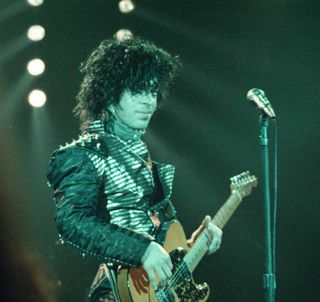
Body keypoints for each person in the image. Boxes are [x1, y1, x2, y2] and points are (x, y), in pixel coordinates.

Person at [47, 36, 222, 302]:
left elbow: (158, 237)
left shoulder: (142, 156)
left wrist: (190, 246)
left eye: (153, 92)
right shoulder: (81, 156)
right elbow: (73, 223)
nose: (149, 102)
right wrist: (141, 249)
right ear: (108, 93)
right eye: (138, 90)